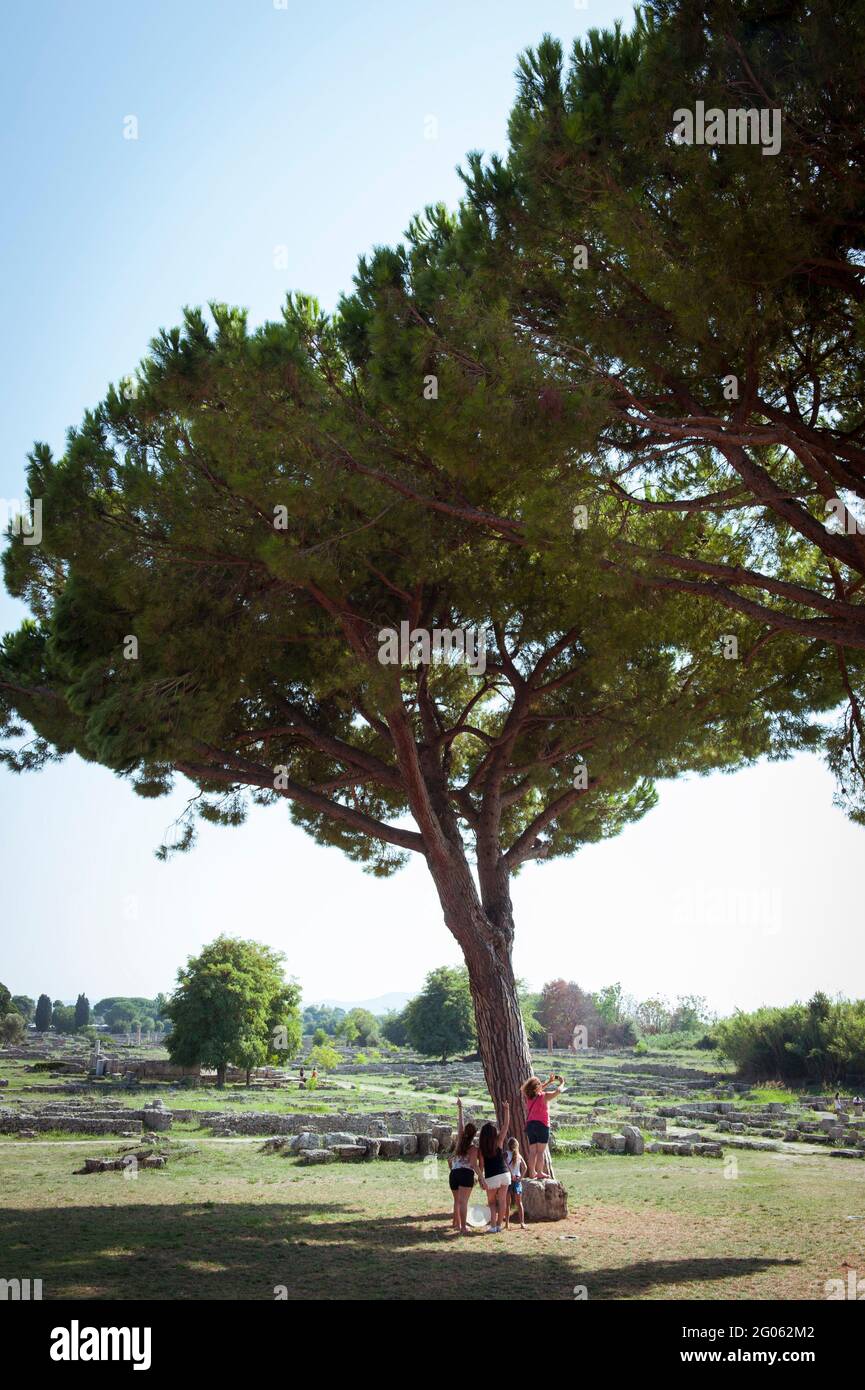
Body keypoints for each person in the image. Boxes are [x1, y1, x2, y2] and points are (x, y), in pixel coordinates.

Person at [448, 1096, 484, 1235]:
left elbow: (460, 1125)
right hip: (465, 1174)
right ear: (474, 1134)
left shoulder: (459, 1144)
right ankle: (463, 1227)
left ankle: (456, 1223)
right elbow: (474, 1165)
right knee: (463, 1202)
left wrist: (460, 1107)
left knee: (457, 1201)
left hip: (454, 1174)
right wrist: (482, 1179)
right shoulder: (473, 1148)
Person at [522, 1072, 566, 1179]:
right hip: (542, 1125)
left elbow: (536, 1089)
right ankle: (540, 1172)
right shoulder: (544, 1096)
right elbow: (558, 1091)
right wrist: (562, 1082)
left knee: (533, 1151)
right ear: (537, 1087)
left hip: (531, 1125)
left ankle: (532, 1172)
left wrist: (549, 1082)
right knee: (540, 1151)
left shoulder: (528, 1097)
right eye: (539, 1084)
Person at [478, 1101, 511, 1233]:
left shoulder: (481, 1149)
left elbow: (481, 1166)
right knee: (502, 1201)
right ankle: (498, 1226)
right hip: (504, 1174)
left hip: (491, 1176)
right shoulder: (499, 1141)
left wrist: (481, 1180)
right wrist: (507, 1110)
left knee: (491, 1202)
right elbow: (506, 1126)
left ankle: (492, 1226)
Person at [503, 1136, 527, 1230]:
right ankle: (522, 1223)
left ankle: (507, 1224)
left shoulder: (505, 1154)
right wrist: (520, 1178)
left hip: (509, 1179)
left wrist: (510, 1174)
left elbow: (504, 1164)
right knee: (519, 1203)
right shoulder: (519, 1155)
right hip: (517, 1179)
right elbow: (525, 1167)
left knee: (507, 1203)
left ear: (508, 1145)